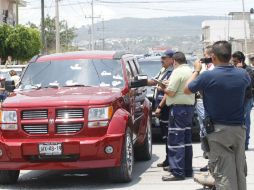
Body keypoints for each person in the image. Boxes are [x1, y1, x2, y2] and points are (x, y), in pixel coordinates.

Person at [184, 41, 250, 190]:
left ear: (213, 57)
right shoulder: (243, 74)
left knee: (224, 174)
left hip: (218, 131)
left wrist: (196, 70)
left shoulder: (207, 76)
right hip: (239, 130)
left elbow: (187, 89)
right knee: (239, 171)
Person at [160, 52, 195, 181]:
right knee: (186, 142)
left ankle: (177, 172)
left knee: (175, 142)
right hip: (189, 108)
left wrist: (162, 86)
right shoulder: (189, 71)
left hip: (178, 109)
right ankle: (187, 170)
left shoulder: (177, 71)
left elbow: (171, 92)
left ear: (174, 61)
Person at [147, 49, 175, 168]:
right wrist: (139, 81)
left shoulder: (173, 72)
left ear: (171, 59)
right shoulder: (164, 70)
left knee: (169, 136)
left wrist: (159, 106)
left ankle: (172, 162)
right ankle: (168, 160)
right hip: (162, 109)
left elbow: (168, 92)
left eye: (164, 58)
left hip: (166, 107)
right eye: (161, 58)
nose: (161, 60)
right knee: (165, 135)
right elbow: (154, 82)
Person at [232, 51, 254, 150]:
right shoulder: (233, 69)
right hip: (235, 100)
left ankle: (245, 143)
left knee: (246, 121)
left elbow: (247, 83)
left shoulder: (248, 70)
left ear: (241, 61)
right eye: (233, 61)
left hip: (246, 99)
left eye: (235, 61)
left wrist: (240, 71)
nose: (234, 63)